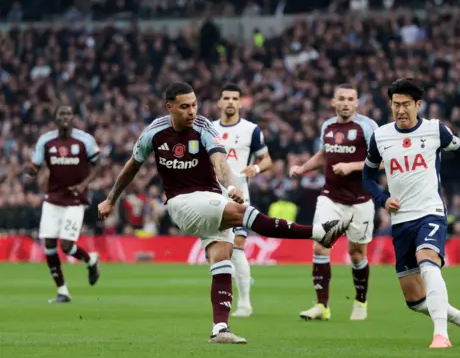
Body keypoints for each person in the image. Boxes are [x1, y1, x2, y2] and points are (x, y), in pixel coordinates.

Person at [97, 82, 350, 344]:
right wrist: (110, 199)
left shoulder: (205, 127)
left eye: (194, 104)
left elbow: (220, 161)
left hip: (211, 197)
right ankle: (319, 232)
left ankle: (220, 328)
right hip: (182, 202)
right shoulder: (154, 132)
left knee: (222, 256)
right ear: (169, 107)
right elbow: (131, 166)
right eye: (184, 106)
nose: (192, 111)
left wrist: (229, 187)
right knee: (242, 214)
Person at [362, 78, 460, 348]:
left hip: (431, 212)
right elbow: (367, 177)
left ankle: (441, 336)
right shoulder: (380, 137)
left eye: (405, 105)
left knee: (428, 262)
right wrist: (382, 198)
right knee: (415, 301)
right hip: (401, 220)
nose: (400, 110)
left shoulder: (435, 130)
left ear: (418, 105)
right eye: (395, 105)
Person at [290, 84, 378, 321]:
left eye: (351, 99)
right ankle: (322, 306)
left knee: (357, 254)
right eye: (342, 99)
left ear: (357, 102)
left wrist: (351, 166)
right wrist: (303, 168)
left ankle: (360, 301)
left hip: (360, 199)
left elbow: (381, 161)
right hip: (330, 196)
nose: (346, 103)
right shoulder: (327, 126)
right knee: (320, 246)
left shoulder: (367, 127)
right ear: (334, 102)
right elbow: (323, 154)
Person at [24, 106, 101, 303]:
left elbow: (97, 165)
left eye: (68, 114)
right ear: (56, 119)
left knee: (66, 246)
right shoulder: (46, 140)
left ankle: (91, 260)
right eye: (61, 114)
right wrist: (30, 170)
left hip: (75, 200)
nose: (65, 117)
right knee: (49, 245)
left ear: (73, 118)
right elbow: (36, 166)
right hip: (53, 199)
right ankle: (62, 292)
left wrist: (83, 185)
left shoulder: (85, 140)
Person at [211, 83, 273, 318]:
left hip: (239, 196)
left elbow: (267, 160)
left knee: (237, 246)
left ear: (240, 103)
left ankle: (245, 303)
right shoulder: (209, 129)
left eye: (234, 98)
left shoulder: (251, 130)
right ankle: (225, 299)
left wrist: (256, 168)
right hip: (214, 197)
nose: (230, 102)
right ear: (219, 102)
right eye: (225, 98)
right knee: (220, 250)